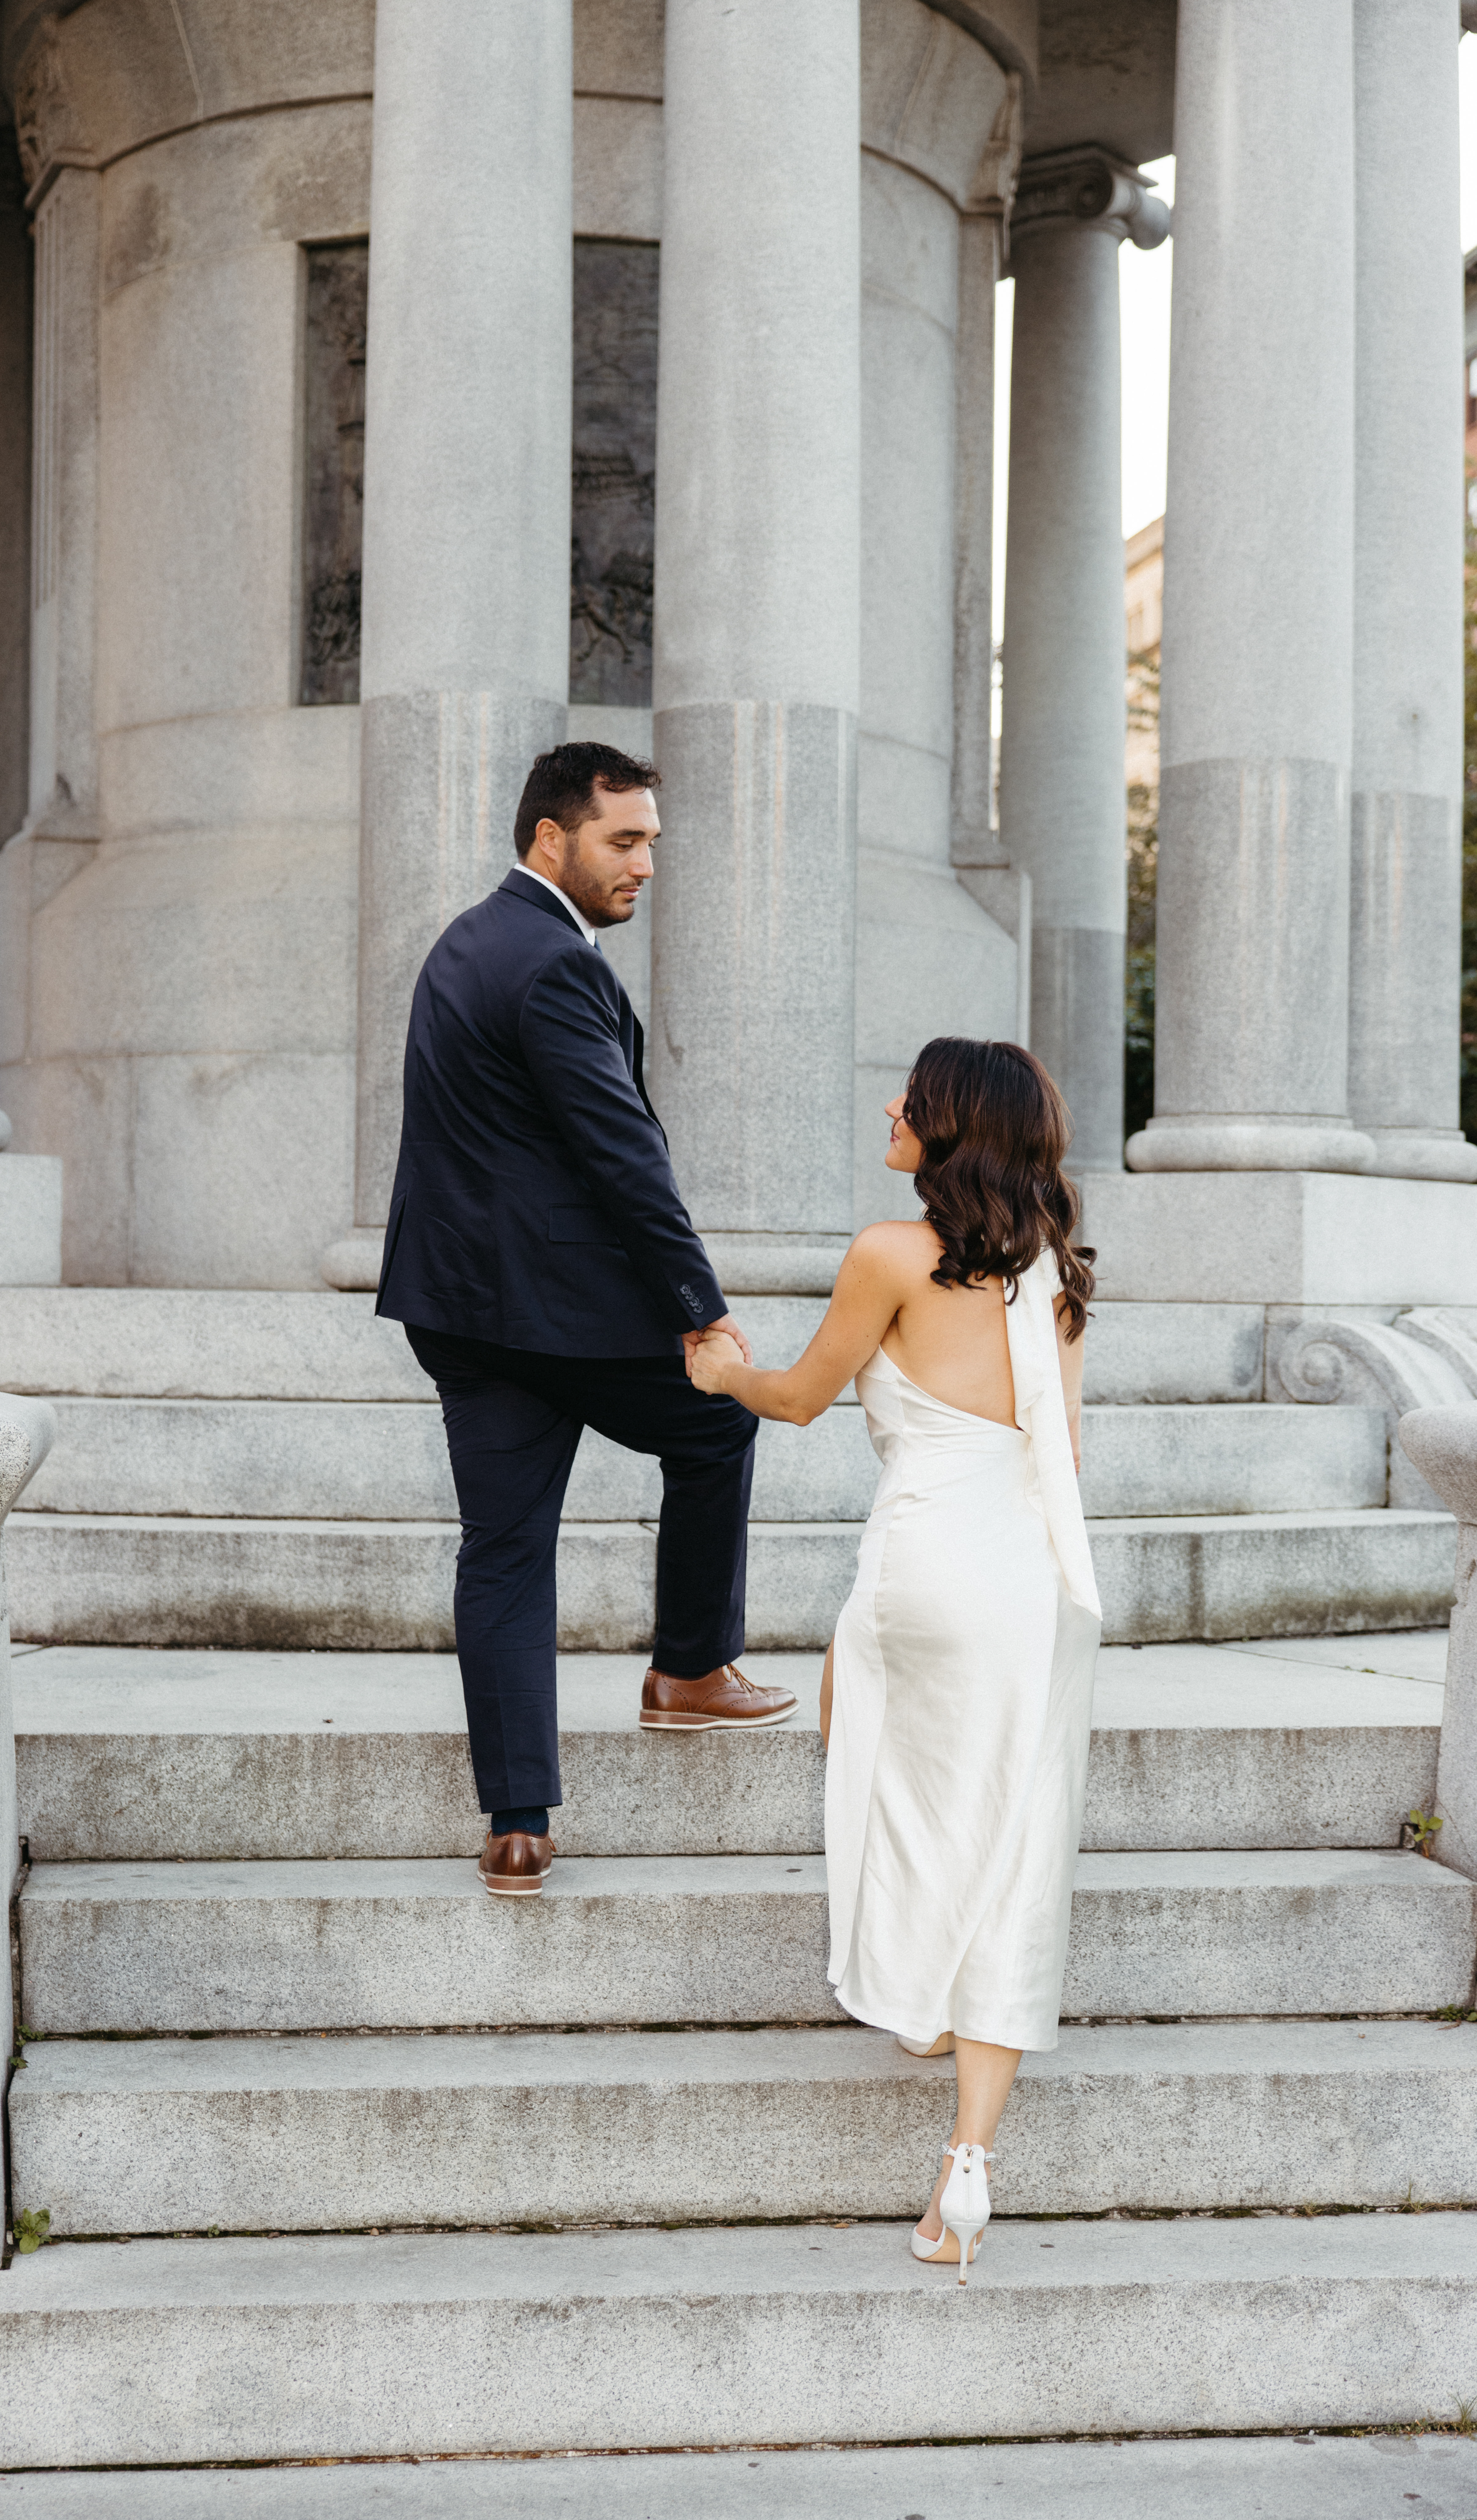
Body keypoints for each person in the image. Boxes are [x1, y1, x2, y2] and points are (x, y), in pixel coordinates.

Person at [686, 1037, 1100, 2278]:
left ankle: (916, 1983)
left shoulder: (888, 1254)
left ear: (949, 1126)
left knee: (875, 1760)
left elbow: (805, 1396)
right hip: (1027, 1577)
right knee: (1014, 1837)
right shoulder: (1058, 1277)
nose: (888, 1105)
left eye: (909, 1098)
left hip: (921, 1565)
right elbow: (1059, 1456)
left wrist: (721, 1374)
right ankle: (966, 2164)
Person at [376, 741, 796, 1897]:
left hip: (458, 1310)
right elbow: (622, 1156)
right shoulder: (556, 964)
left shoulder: (464, 944)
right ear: (551, 839)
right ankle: (692, 1671)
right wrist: (699, 1310)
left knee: (503, 1551)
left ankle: (520, 1824)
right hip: (560, 1311)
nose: (648, 862)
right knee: (716, 1427)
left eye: (653, 839)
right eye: (625, 839)